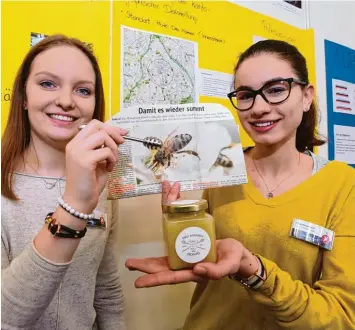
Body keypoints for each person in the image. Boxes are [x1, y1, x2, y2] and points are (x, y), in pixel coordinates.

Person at [125, 40, 355, 329]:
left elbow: (342, 316)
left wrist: (256, 272)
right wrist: (183, 227)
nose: (258, 107)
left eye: (275, 90)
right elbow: (210, 260)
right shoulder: (222, 168)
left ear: (307, 96)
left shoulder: (342, 184)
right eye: (246, 95)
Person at [1, 35, 127, 329]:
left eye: (83, 90)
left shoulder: (103, 180)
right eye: (48, 84)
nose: (66, 101)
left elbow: (106, 290)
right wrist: (74, 207)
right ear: (23, 96)